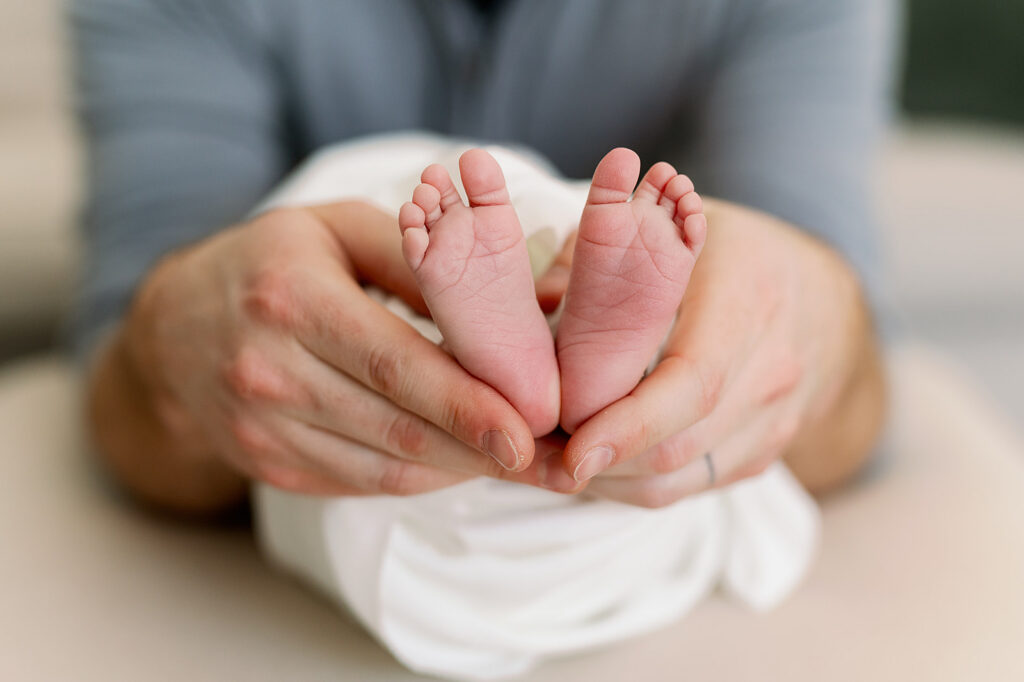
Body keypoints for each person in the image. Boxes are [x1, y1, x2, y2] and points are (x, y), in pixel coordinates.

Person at [72, 0, 891, 515]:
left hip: (635, 468)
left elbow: (858, 394)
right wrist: (175, 346)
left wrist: (809, 333)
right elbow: (125, 378)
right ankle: (581, 355)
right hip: (330, 421)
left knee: (386, 206)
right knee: (309, 244)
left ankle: (555, 354)